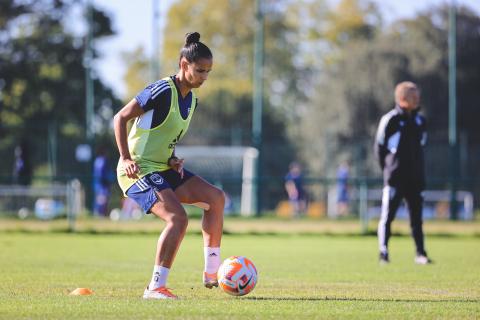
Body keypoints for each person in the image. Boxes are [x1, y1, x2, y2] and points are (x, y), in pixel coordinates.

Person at [114, 32, 225, 299]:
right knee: (177, 219)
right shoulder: (162, 90)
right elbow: (120, 118)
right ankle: (155, 287)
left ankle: (213, 273)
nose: (204, 77)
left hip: (163, 168)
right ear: (183, 64)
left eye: (208, 72)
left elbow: (163, 133)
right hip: (138, 170)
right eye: (200, 70)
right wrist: (126, 157)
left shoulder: (192, 100)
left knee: (216, 198)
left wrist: (172, 158)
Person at [374, 81, 431, 265]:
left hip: (415, 180)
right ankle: (383, 252)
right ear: (402, 98)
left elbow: (422, 146)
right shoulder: (390, 119)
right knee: (387, 217)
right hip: (395, 179)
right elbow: (380, 148)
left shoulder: (420, 121)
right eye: (413, 96)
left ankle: (420, 253)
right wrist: (389, 170)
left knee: (416, 218)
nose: (417, 99)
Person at [92, 146, 114, 217]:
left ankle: (99, 213)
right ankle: (101, 214)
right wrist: (108, 180)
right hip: (102, 184)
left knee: (100, 198)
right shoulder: (103, 161)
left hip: (97, 183)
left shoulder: (97, 160)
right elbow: (102, 174)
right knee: (103, 199)